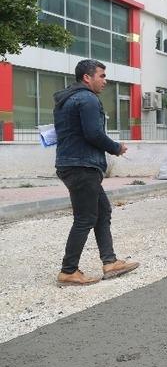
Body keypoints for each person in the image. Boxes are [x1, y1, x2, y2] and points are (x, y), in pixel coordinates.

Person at [54, 59, 139, 286]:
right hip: (82, 166)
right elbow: (93, 133)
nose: (105, 80)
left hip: (73, 164)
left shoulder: (67, 99)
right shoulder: (87, 99)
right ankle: (68, 270)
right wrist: (116, 147)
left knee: (102, 211)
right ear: (87, 77)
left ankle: (110, 262)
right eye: (101, 75)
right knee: (85, 218)